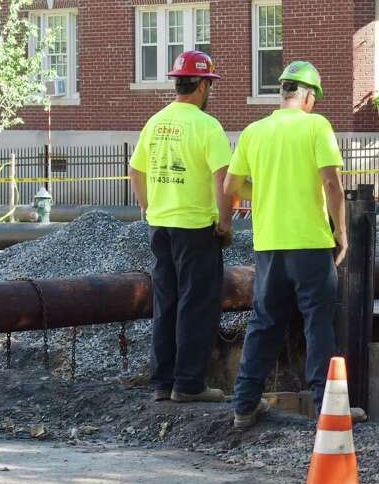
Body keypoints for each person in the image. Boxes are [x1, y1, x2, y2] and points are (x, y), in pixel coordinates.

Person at [226, 60, 347, 430]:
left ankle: (244, 405)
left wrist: (261, 190)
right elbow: (331, 184)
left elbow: (231, 188)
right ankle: (327, 408)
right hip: (310, 244)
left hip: (270, 246)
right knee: (318, 324)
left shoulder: (254, 131)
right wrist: (342, 232)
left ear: (283, 93)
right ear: (309, 96)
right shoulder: (316, 126)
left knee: (264, 322)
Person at [128, 50, 233, 404]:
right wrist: (225, 222)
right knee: (197, 303)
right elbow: (223, 179)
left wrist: (146, 206)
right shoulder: (207, 126)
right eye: (210, 85)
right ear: (203, 85)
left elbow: (135, 170)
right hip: (195, 227)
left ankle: (162, 383)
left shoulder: (156, 121)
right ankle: (189, 384)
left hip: (159, 226)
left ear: (178, 83)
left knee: (166, 302)